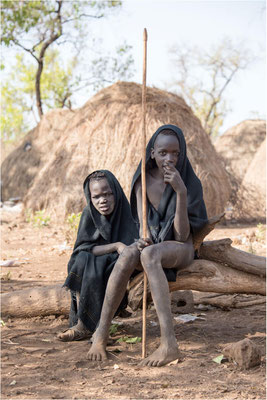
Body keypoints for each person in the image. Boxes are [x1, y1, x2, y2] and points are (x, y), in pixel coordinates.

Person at [88, 125, 208, 366]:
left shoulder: (188, 182)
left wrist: (180, 192)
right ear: (152, 152)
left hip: (181, 248)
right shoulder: (142, 178)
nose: (170, 159)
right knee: (130, 254)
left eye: (176, 153)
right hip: (154, 244)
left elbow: (182, 233)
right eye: (163, 152)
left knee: (151, 254)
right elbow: (143, 225)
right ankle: (100, 334)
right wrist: (143, 238)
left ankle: (169, 344)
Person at [57, 170, 138, 341]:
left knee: (105, 264)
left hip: (120, 265)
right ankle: (82, 323)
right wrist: (116, 245)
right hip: (95, 261)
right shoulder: (89, 214)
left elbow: (133, 246)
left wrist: (122, 250)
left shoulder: (127, 213)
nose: (103, 200)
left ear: (115, 192)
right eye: (96, 197)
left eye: (108, 194)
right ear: (89, 197)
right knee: (81, 260)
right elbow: (84, 248)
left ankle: (100, 325)